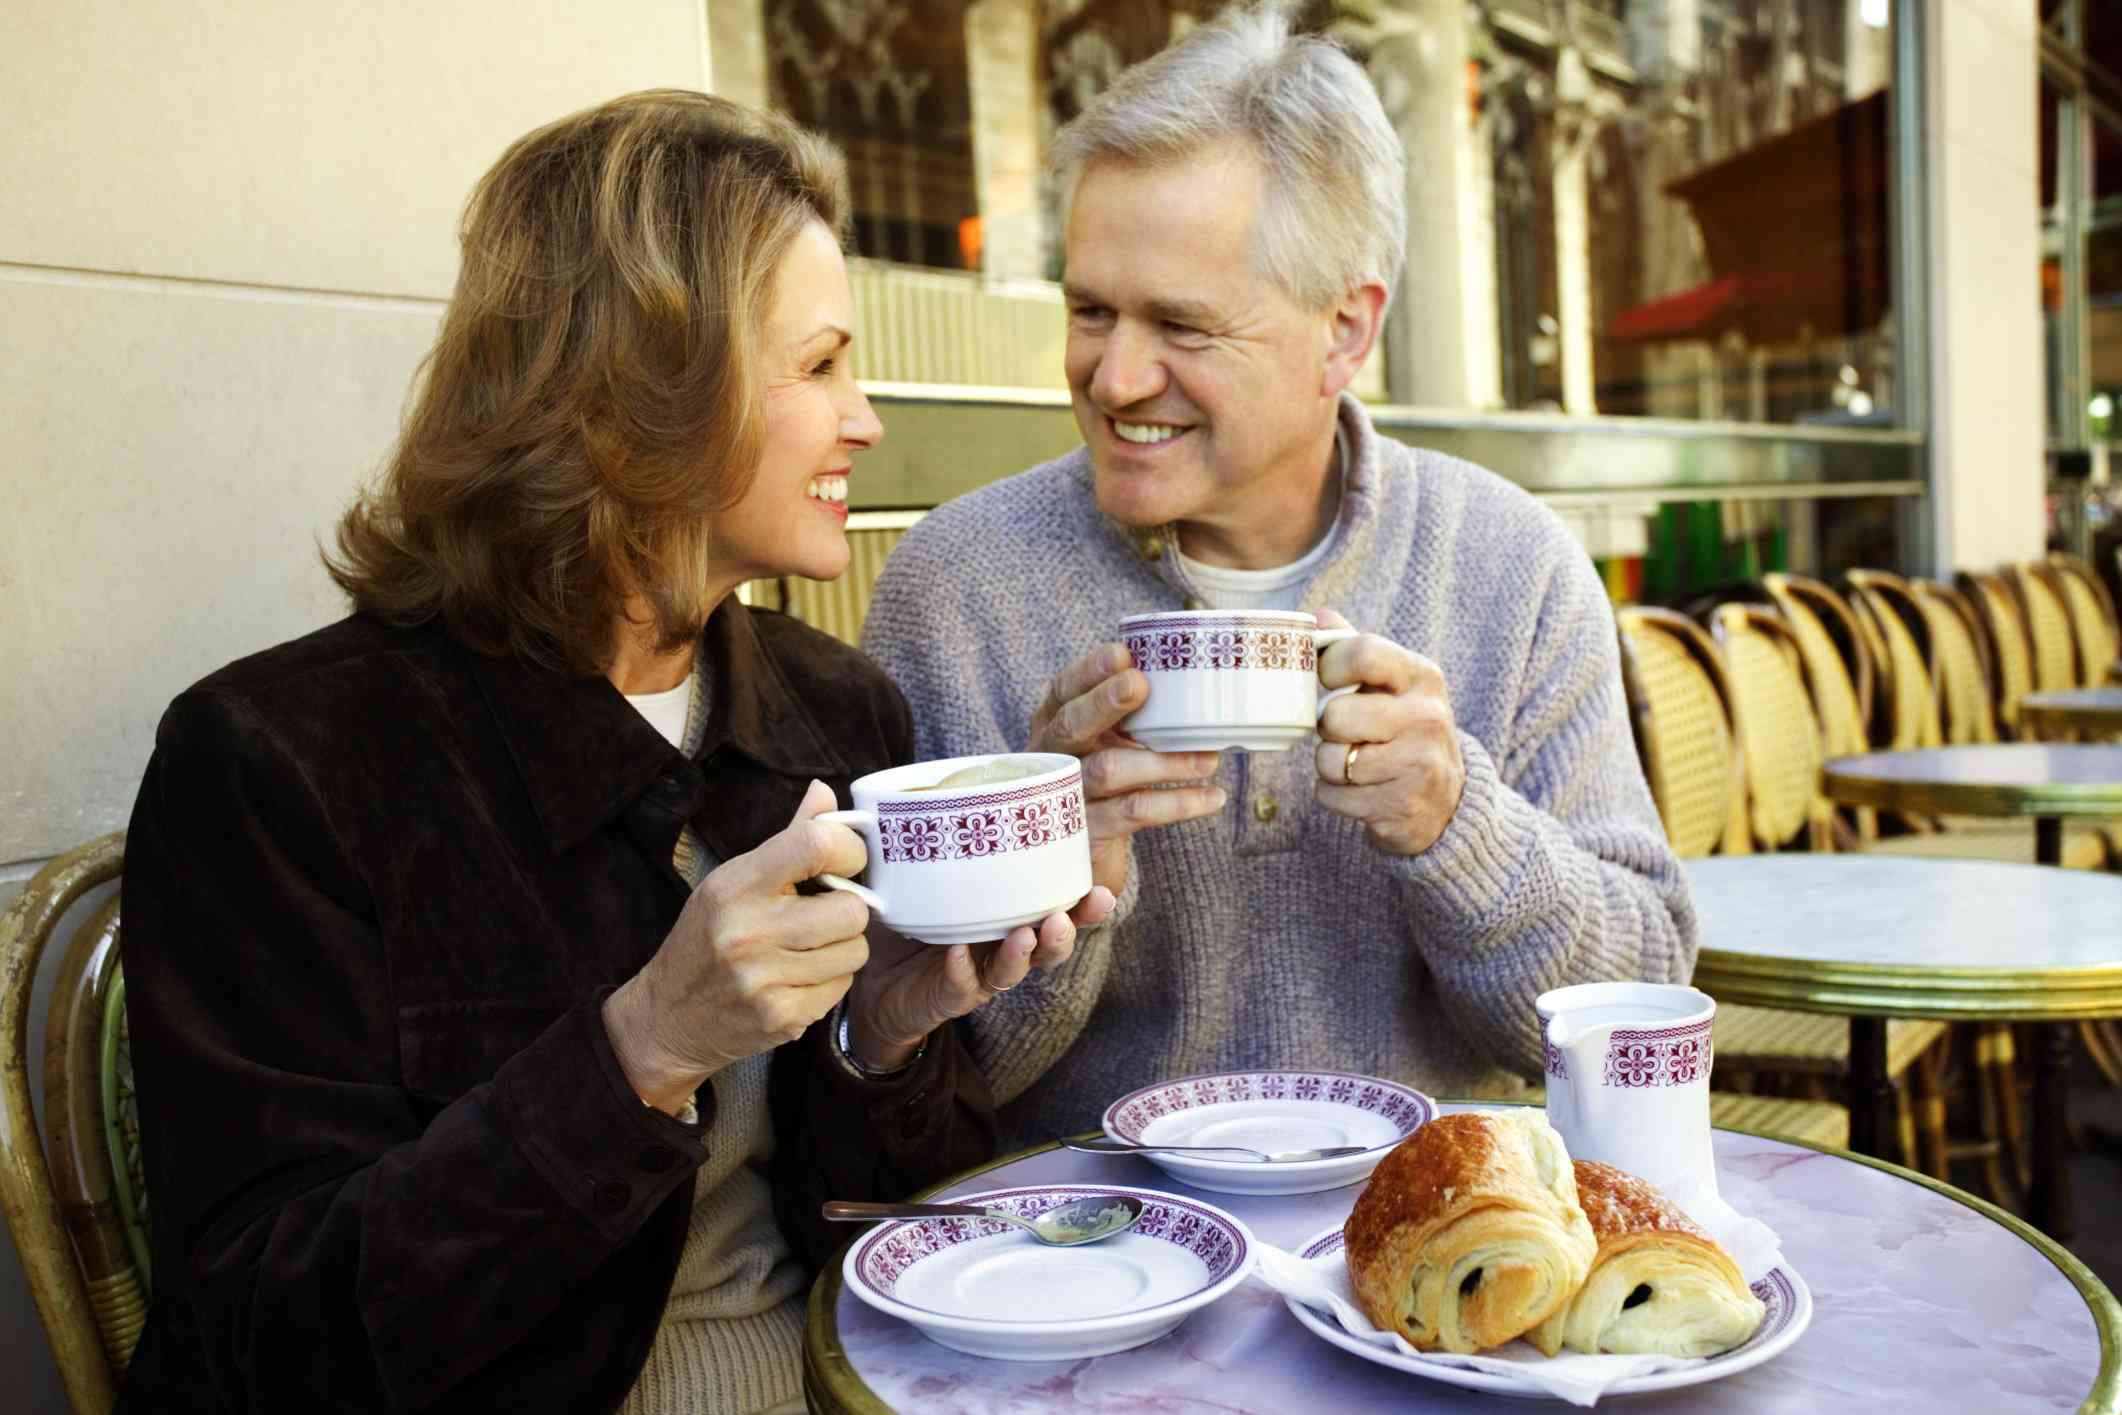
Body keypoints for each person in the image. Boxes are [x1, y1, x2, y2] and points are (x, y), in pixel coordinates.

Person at [118, 91, 1108, 1414]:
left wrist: (889, 1034)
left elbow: (898, 1232)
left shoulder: (832, 713)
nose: (864, 419)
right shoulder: (282, 764)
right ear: (633, 403)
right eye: (816, 367)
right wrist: (643, 1046)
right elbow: (265, 1334)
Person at [862, 5, 1695, 1149]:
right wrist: (1053, 871)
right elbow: (898, 1082)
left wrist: (1458, 822)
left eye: (1183, 326)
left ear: (1345, 332)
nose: (1113, 376)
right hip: (1081, 1260)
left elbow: (1640, 997)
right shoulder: (955, 587)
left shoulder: (1512, 564)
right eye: (1090, 309)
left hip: (1426, 1238)